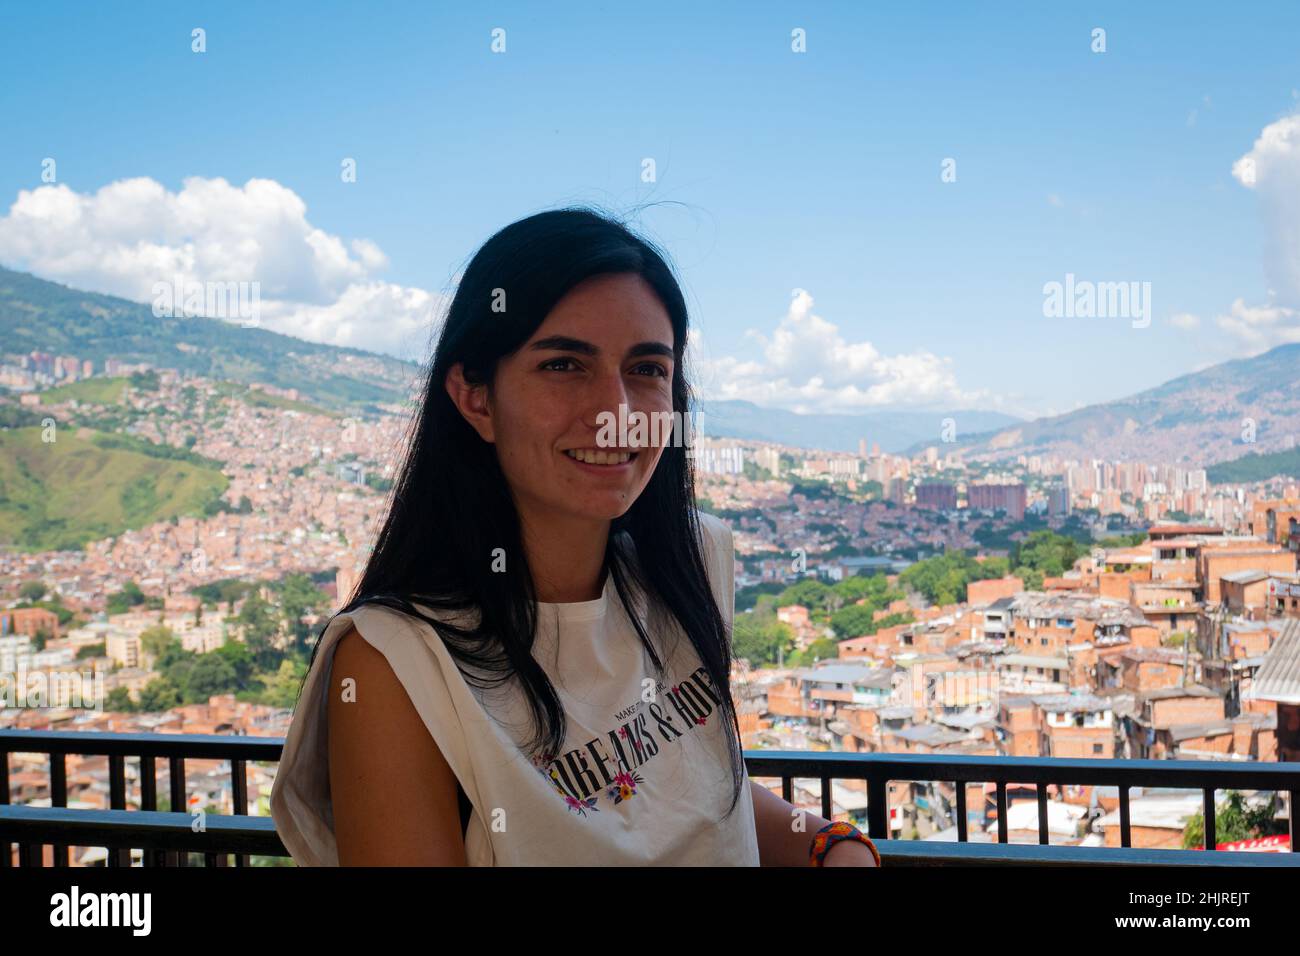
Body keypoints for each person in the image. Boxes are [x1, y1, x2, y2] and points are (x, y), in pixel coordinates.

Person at [270, 206, 880, 867]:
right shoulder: (396, 664)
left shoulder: (694, 562)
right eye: (564, 365)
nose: (616, 414)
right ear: (476, 398)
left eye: (646, 369)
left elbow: (685, 785)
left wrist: (827, 845)